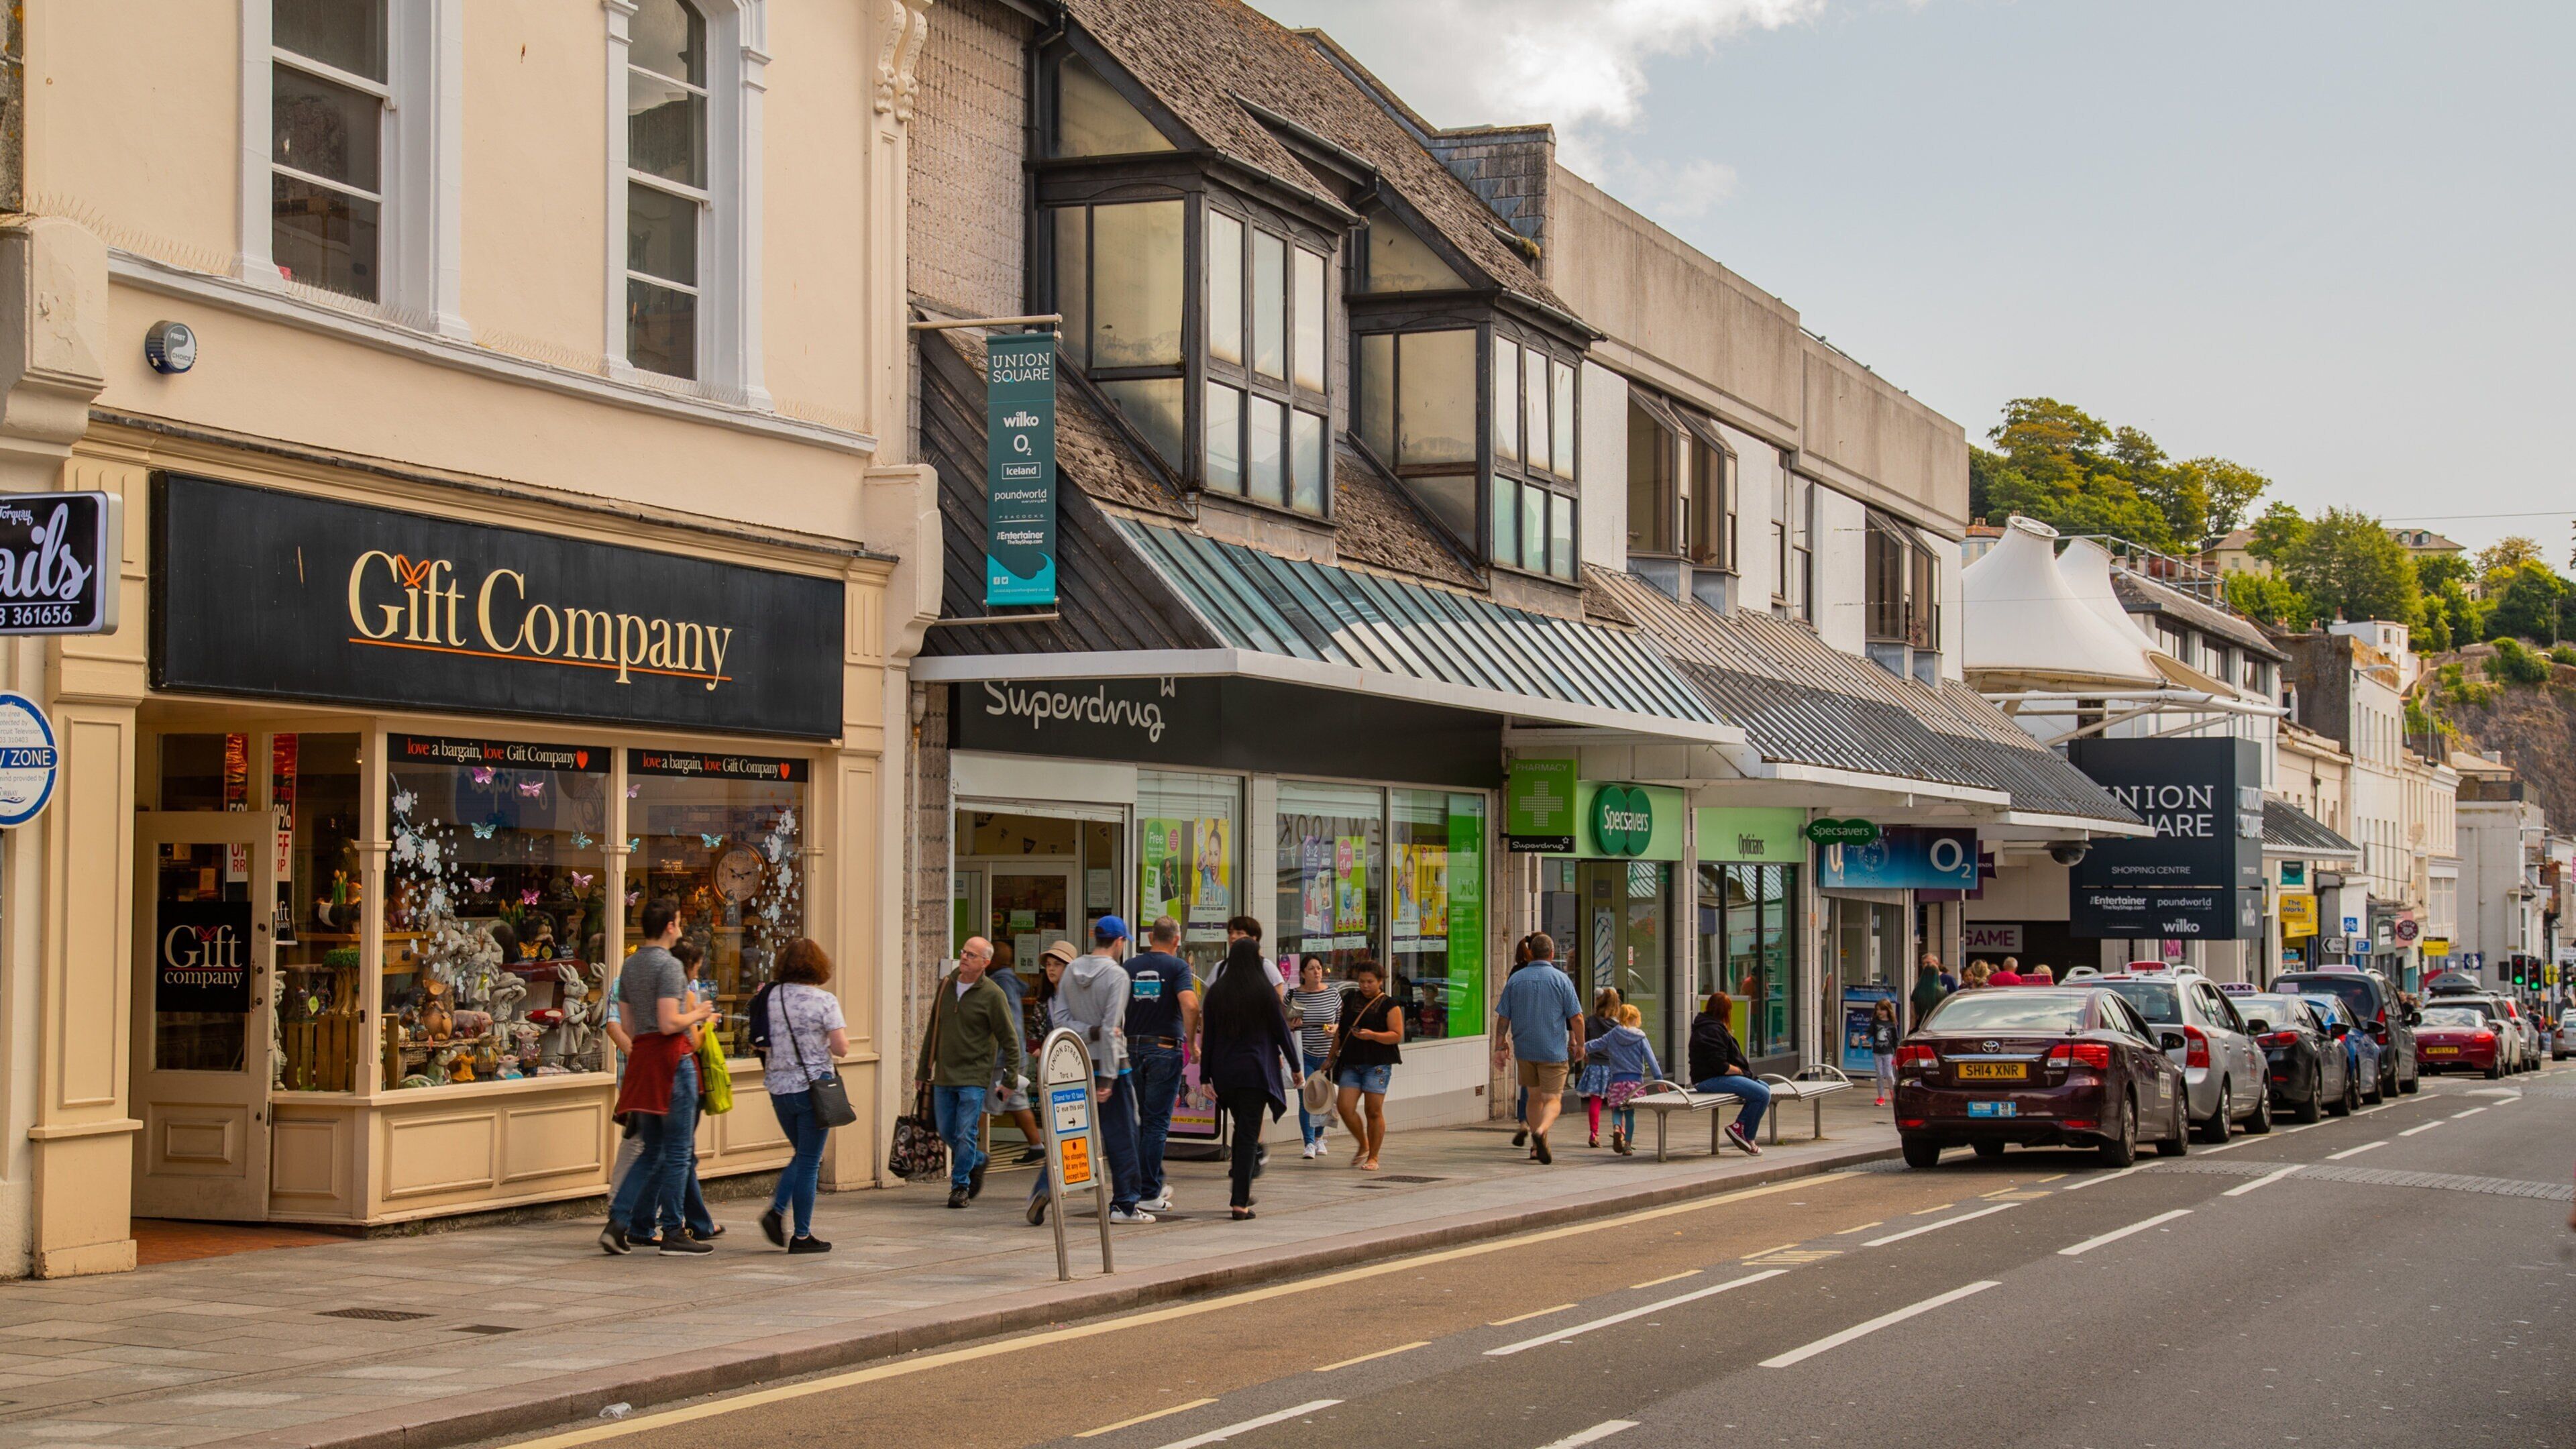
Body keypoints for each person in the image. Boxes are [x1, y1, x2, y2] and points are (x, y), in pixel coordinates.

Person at [603, 899, 718, 1256]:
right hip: (672, 1062)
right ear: (670, 926)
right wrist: (696, 1013)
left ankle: (618, 1223)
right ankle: (673, 1231)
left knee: (651, 1151)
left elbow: (631, 1025)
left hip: (644, 1061)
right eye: (679, 922)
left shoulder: (630, 966)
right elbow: (670, 1022)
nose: (681, 928)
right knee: (678, 1151)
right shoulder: (670, 967)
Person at [1030, 920, 1150, 1225]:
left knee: (1071, 1130)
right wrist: (1109, 1077)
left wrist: (1087, 1031)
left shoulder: (1072, 971)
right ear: (1119, 942)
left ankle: (1044, 1188)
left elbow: (1061, 1021)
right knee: (1124, 1136)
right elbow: (1111, 1030)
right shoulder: (1117, 976)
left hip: (1076, 1065)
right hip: (1112, 1070)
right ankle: (1124, 1205)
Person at [914, 932, 1024, 1210]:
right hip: (943, 1075)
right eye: (963, 952)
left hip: (974, 1077)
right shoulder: (946, 985)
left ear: (986, 963)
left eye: (971, 955)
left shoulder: (993, 995)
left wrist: (1010, 1078)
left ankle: (960, 1186)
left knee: (965, 1134)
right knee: (945, 1130)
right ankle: (978, 1161)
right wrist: (922, 1070)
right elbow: (932, 1031)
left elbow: (1010, 1040)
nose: (964, 957)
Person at [602, 993, 716, 1245]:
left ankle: (630, 1222)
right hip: (664, 1075)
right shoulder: (671, 983)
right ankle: (667, 1226)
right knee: (668, 1153)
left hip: (650, 1074)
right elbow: (680, 1033)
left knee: (660, 1153)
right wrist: (700, 1017)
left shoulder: (644, 976)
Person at [758, 938, 849, 1252]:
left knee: (802, 1156)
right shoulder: (824, 1001)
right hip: (814, 1089)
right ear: (819, 966)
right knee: (809, 1161)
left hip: (779, 1089)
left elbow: (759, 1042)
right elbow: (841, 1048)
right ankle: (798, 1231)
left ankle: (781, 1215)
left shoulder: (770, 997)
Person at [1198, 938, 1299, 1220]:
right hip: (1255, 1073)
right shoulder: (1264, 991)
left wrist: (1205, 1076)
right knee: (1247, 1136)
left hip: (1225, 1075)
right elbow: (1282, 1032)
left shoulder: (1217, 992)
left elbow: (1209, 1039)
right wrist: (1295, 1066)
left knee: (1241, 1129)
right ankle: (1239, 1202)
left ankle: (1240, 1194)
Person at [1124, 918, 1199, 1214]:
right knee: (1156, 1124)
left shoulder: (1129, 966)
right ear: (1177, 941)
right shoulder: (1178, 967)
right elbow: (1191, 1005)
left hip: (1133, 1048)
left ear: (1150, 936)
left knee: (1144, 1120)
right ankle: (1149, 1192)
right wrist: (1191, 1042)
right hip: (1164, 1049)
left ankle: (1145, 1183)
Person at [1492, 932, 1583, 1165]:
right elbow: (1577, 1018)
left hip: (1525, 1050)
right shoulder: (1561, 980)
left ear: (1531, 953)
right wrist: (1580, 1043)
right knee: (1553, 1099)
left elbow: (1503, 1017)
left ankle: (1535, 1147)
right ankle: (1541, 1131)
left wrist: (1500, 1045)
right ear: (1552, 954)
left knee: (1533, 1098)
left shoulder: (1516, 979)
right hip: (1553, 1050)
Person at [972, 937, 1047, 1165]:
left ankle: (973, 1151)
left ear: (992, 961)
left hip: (1004, 1058)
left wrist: (1005, 1058)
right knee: (1017, 1100)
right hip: (1014, 1056)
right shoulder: (1011, 982)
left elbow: (1008, 1024)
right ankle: (1036, 1146)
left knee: (982, 1103)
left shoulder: (999, 985)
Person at [1332, 959, 1403, 1170]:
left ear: (1380, 981)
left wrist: (1372, 1035)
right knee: (1345, 1107)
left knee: (1373, 1110)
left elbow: (1397, 1035)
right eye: (1362, 981)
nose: (1365, 985)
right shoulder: (1351, 998)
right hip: (1351, 1062)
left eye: (1370, 981)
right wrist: (1329, 1058)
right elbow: (1341, 1032)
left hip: (1378, 1063)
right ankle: (1363, 1143)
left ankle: (1374, 1156)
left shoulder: (1390, 1004)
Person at [1687, 990, 1769, 1155]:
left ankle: (1741, 1127)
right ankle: (1745, 1134)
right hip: (1709, 1080)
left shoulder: (1708, 1026)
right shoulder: (1712, 1030)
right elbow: (1721, 1066)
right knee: (1762, 1094)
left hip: (1711, 1077)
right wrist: (1740, 1071)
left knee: (1765, 1087)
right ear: (1726, 1012)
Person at [1285, 955, 1341, 1157]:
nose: (1317, 972)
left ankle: (1319, 1138)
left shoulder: (1332, 994)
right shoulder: (1293, 995)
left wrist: (1335, 1028)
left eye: (1319, 968)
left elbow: (1341, 1021)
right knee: (1307, 1097)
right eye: (1311, 969)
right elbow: (1283, 1022)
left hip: (1327, 1055)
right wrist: (1291, 1025)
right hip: (1303, 1054)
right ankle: (1308, 1143)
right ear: (1302, 973)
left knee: (1325, 1097)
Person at [1598, 1004, 1662, 1156]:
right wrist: (1659, 1079)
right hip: (1634, 1083)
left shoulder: (1613, 1034)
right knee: (1630, 1114)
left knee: (1617, 1109)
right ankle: (1627, 1145)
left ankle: (1616, 1128)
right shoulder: (1640, 1037)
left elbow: (1597, 1044)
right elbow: (1651, 1059)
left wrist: (1581, 1048)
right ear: (1635, 1018)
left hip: (1617, 1080)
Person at [1575, 987, 1621, 1148]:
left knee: (1595, 1101)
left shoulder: (1590, 1021)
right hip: (1614, 1067)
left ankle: (1594, 1134)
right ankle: (1619, 1130)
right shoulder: (1619, 1024)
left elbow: (1584, 1043)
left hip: (1595, 1066)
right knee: (1617, 1101)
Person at [1869, 998, 1900, 1106]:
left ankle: (1893, 1093)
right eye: (1878, 1009)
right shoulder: (1875, 1022)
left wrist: (1896, 1054)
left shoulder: (1892, 1024)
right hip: (1877, 1052)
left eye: (1882, 1010)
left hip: (1888, 1052)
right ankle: (1881, 1097)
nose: (1879, 1012)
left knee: (1889, 1074)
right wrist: (1866, 1036)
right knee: (1879, 1074)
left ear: (1888, 1010)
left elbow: (1896, 1040)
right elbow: (1870, 1032)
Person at [1910, 953, 1946, 1029]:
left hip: (1921, 1026)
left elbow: (1913, 1016)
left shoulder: (1917, 992)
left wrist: (1910, 1031)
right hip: (1937, 1026)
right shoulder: (1942, 992)